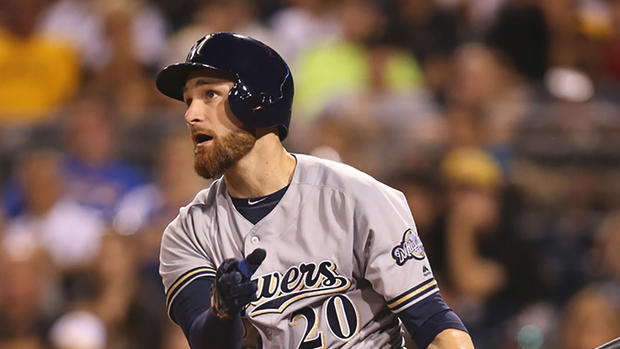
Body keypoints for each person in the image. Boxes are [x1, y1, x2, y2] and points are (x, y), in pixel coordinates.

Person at [156, 32, 474, 349]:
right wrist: (222, 312)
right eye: (188, 101)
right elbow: (206, 342)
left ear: (257, 100)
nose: (190, 115)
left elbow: (432, 322)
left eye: (209, 95)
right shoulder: (188, 233)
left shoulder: (356, 197)